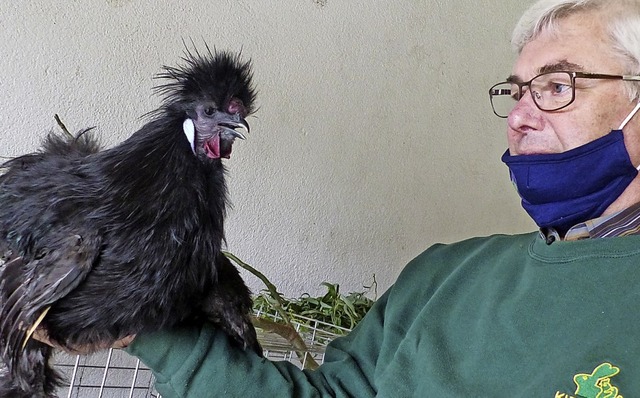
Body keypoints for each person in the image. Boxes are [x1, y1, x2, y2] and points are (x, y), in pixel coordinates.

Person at [39, 0, 640, 396]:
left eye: (557, 87)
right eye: (515, 92)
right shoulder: (446, 276)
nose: (519, 118)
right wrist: (138, 329)